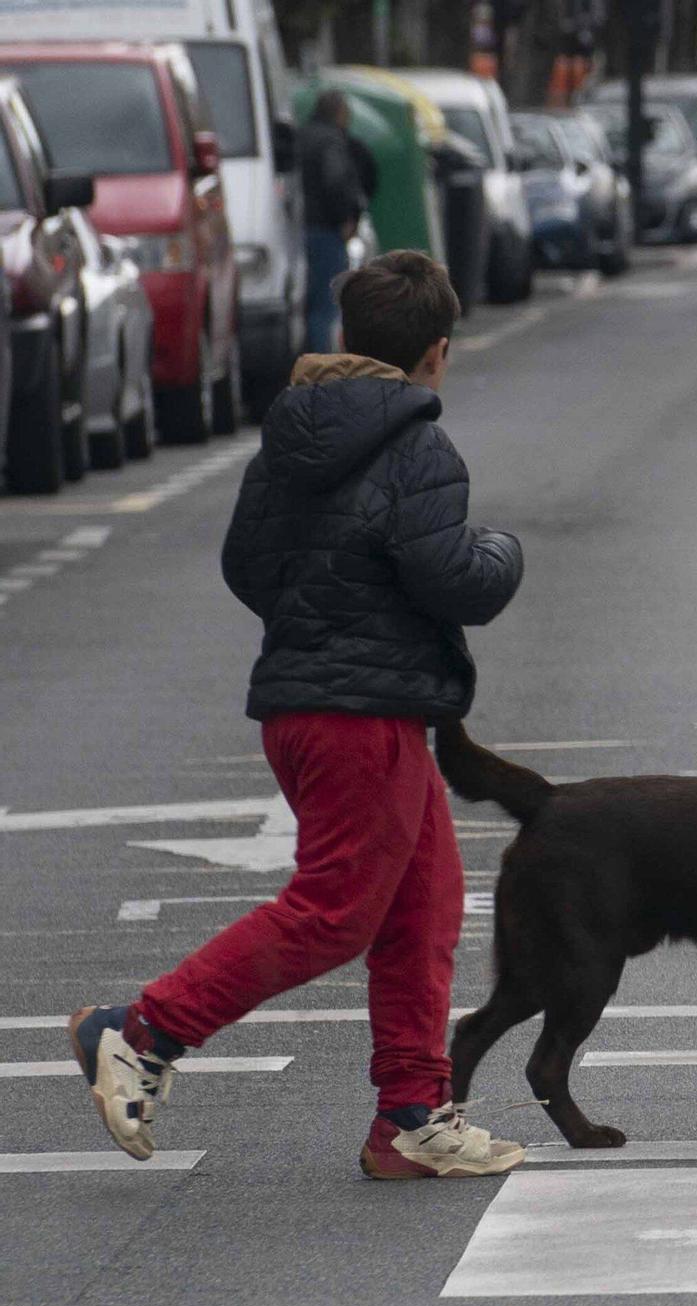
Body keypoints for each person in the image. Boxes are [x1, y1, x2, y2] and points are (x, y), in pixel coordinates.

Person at [69, 251, 528, 1178]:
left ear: (346, 336)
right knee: (336, 912)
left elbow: (247, 563)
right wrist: (502, 555)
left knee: (423, 905)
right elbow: (450, 578)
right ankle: (144, 1028)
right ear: (437, 352)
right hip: (365, 714)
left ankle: (410, 1114)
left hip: (307, 702)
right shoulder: (419, 445)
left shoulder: (288, 435)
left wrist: (315, 617)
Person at [298, 90, 368, 353]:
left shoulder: (302, 136)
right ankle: (323, 366)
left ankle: (308, 361)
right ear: (339, 113)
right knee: (324, 308)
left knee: (307, 306)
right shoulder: (331, 141)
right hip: (326, 230)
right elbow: (335, 180)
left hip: (300, 229)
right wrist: (345, 218)